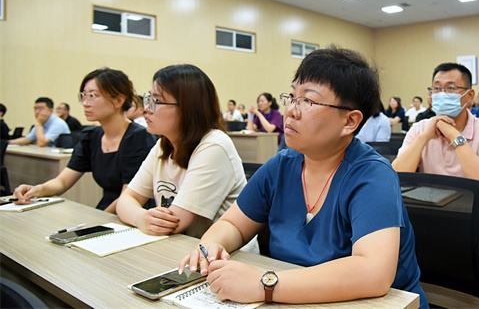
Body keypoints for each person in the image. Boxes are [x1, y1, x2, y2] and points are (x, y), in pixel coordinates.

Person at [178, 46, 428, 307]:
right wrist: (211, 246)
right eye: (292, 96)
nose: (291, 111)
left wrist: (264, 284)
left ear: (349, 122)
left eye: (308, 101)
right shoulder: (280, 166)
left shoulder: (373, 175)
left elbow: (372, 273)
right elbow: (233, 225)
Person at [116, 64, 248, 238]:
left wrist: (143, 218)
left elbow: (174, 223)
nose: (146, 109)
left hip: (223, 252)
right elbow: (125, 200)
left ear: (188, 108)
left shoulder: (214, 146)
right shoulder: (164, 145)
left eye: (156, 101)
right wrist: (141, 218)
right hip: (181, 247)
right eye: (149, 99)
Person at [12, 69, 156, 212]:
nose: (85, 103)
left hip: (133, 212)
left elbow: (129, 197)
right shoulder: (91, 136)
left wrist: (97, 220)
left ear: (118, 100)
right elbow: (62, 181)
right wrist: (36, 190)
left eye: (92, 96)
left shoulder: (138, 138)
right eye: (83, 96)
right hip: (107, 210)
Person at [392, 63, 479, 193]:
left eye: (451, 88)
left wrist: (453, 135)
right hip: (433, 203)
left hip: (478, 205)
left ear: (469, 96)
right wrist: (425, 137)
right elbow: (395, 178)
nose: (442, 94)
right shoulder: (420, 129)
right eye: (437, 88)